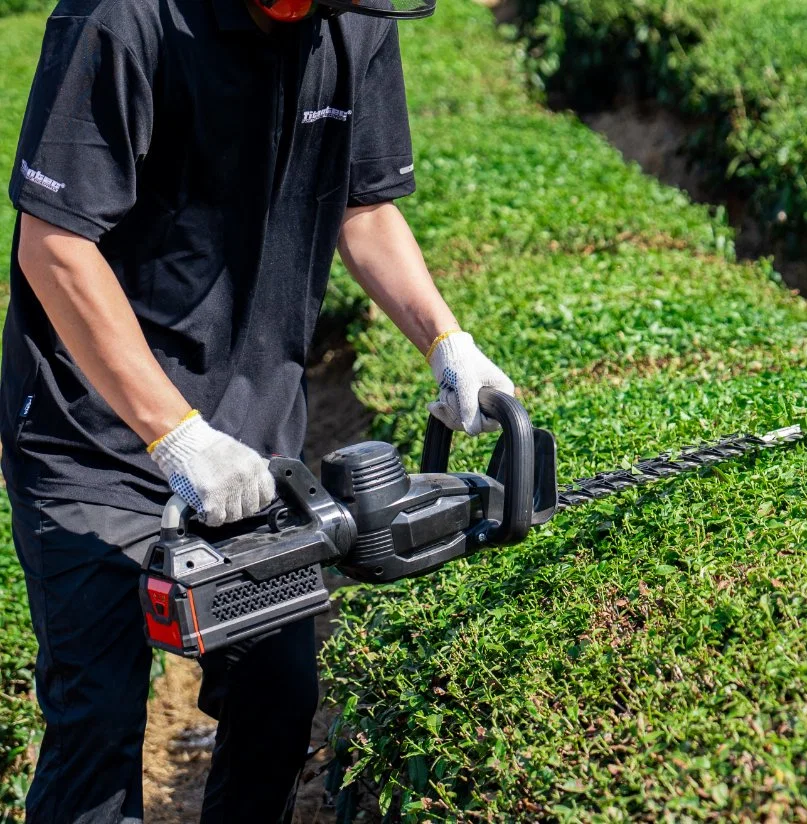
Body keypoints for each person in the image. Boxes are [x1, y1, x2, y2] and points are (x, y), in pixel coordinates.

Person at [0, 0, 514, 817]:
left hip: (250, 443)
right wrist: (173, 435)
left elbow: (365, 206)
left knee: (277, 698)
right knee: (95, 728)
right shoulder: (120, 19)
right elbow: (54, 245)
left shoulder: (353, 21)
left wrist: (446, 343)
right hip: (90, 436)